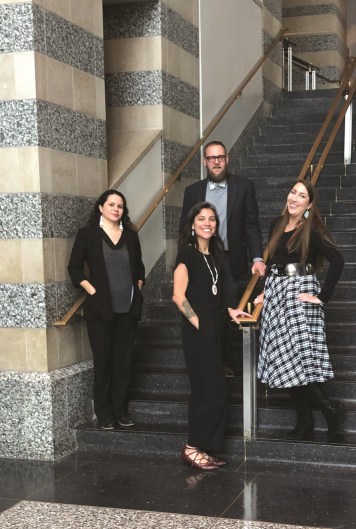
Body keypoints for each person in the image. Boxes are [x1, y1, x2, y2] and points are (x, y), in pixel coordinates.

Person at [231, 180, 345, 442]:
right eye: (293, 192)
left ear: (309, 204)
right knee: (285, 360)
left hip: (299, 293)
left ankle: (329, 410)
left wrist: (322, 298)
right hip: (276, 293)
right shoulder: (277, 224)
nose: (294, 198)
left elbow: (338, 260)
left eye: (301, 195)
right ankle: (305, 420)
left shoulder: (312, 228)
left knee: (298, 358)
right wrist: (265, 291)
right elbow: (274, 263)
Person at [173, 202, 250, 470]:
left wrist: (230, 311)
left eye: (212, 219)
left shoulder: (215, 256)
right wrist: (200, 324)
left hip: (215, 324)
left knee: (212, 390)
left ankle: (201, 447)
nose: (207, 223)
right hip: (198, 329)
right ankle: (192, 447)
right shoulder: (186, 253)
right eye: (202, 218)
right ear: (192, 225)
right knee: (211, 390)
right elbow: (178, 297)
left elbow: (212, 293)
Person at [179, 140, 265, 377]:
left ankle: (225, 361)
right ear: (205, 162)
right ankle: (205, 357)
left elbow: (251, 225)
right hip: (200, 257)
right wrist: (184, 261)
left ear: (227, 159)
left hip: (229, 258)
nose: (216, 161)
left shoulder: (244, 187)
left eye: (220, 157)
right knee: (204, 307)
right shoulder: (193, 191)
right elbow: (184, 229)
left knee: (227, 308)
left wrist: (257, 257)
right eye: (211, 158)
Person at [68, 190, 145, 430]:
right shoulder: (88, 234)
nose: (116, 209)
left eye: (120, 206)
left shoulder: (131, 236)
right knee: (104, 361)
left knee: (123, 362)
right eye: (111, 204)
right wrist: (91, 290)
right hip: (100, 311)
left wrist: (138, 286)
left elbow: (139, 268)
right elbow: (74, 268)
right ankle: (104, 412)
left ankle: (120, 410)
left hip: (128, 310)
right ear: (100, 207)